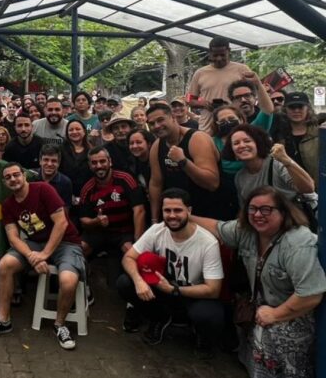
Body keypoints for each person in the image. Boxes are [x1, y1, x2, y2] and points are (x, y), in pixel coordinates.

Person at [191, 186, 326, 377]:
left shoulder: (298, 242)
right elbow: (218, 227)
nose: (257, 215)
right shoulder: (247, 231)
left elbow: (311, 294)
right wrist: (185, 216)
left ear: (283, 212)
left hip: (294, 316)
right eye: (252, 209)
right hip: (263, 313)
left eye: (266, 209)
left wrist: (276, 314)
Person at [0, 163, 84, 350]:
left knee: (68, 280)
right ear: (4, 182)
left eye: (16, 174)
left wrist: (44, 254)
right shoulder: (8, 205)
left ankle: (60, 325)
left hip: (66, 242)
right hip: (36, 244)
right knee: (5, 264)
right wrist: (32, 256)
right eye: (8, 177)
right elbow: (13, 237)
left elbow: (61, 223)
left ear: (24, 175)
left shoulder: (43, 189)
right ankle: (3, 322)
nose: (13, 179)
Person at [117, 188, 224, 356]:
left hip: (192, 295)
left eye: (178, 210)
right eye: (167, 210)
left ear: (189, 211)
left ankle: (202, 335)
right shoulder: (157, 230)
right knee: (125, 283)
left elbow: (214, 289)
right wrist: (139, 281)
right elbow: (128, 258)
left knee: (209, 314)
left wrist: (174, 290)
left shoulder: (207, 242)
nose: (172, 215)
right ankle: (159, 318)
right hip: (163, 291)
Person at [79, 147, 146, 288]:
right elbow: (83, 220)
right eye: (94, 163)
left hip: (124, 231)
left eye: (102, 161)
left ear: (110, 161)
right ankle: (83, 285)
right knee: (80, 248)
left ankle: (139, 289)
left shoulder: (125, 179)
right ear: (90, 165)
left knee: (132, 252)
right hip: (99, 232)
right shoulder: (87, 188)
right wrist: (96, 221)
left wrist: (138, 243)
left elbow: (139, 210)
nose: (99, 166)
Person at [147, 103, 220, 221]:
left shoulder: (197, 139)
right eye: (151, 123)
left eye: (160, 120)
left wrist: (183, 162)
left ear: (173, 117)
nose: (156, 126)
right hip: (176, 216)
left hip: (207, 213)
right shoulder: (157, 146)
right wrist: (154, 220)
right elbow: (156, 184)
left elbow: (212, 183)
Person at [223, 124, 315, 206]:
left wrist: (286, 160)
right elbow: (245, 208)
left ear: (258, 143)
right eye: (236, 143)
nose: (242, 145)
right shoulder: (240, 177)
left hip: (291, 217)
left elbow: (308, 188)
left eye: (247, 141)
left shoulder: (277, 164)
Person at [187, 37, 253, 132]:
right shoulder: (200, 73)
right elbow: (189, 99)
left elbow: (253, 94)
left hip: (235, 126)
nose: (219, 58)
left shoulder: (242, 70)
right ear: (210, 53)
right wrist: (204, 104)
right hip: (208, 128)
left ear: (229, 51)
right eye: (215, 55)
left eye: (222, 55)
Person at [272, 92, 319, 188]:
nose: (296, 110)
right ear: (285, 109)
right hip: (289, 188)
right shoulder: (278, 134)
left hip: (317, 188)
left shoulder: (319, 133)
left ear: (308, 108)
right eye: (292, 107)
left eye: (300, 107)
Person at [60, 119, 94, 210]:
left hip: (88, 195)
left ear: (84, 131)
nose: (74, 132)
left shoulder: (92, 150)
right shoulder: (60, 150)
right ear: (67, 133)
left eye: (78, 129)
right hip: (65, 196)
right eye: (71, 130)